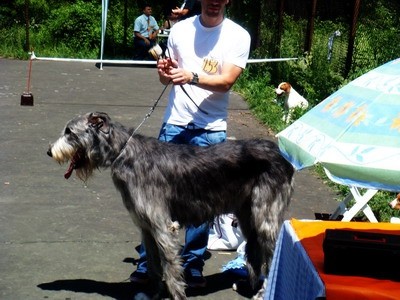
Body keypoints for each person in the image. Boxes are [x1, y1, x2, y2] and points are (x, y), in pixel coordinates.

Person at [130, 0, 251, 288]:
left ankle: (193, 265)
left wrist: (192, 76)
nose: (213, 3)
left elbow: (227, 82)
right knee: (155, 200)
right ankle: (148, 262)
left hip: (210, 130)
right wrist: (166, 71)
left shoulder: (238, 35)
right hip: (174, 126)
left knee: (202, 204)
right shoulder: (180, 30)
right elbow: (166, 78)